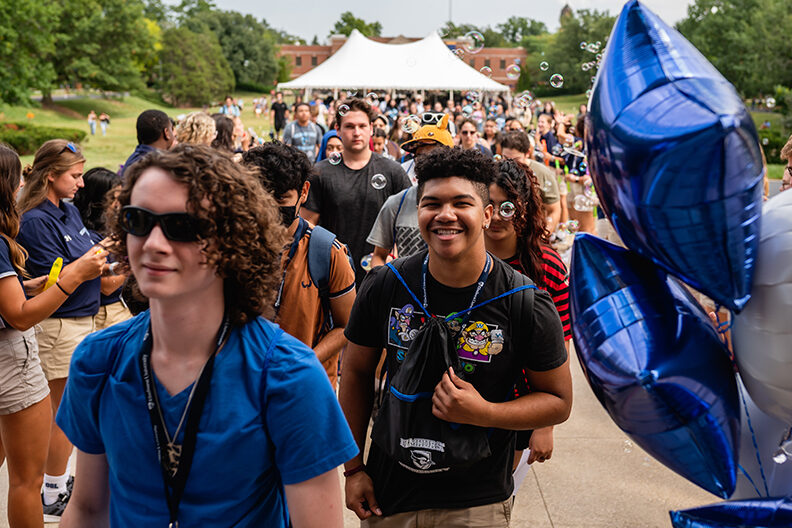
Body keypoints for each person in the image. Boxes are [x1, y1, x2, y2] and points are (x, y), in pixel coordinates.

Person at [56, 145, 358, 527]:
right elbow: (87, 509)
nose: (153, 243)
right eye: (137, 220)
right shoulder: (98, 360)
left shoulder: (288, 375)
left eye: (182, 226)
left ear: (233, 241)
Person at [339, 147, 572, 526]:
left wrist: (486, 413)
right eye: (432, 203)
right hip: (388, 493)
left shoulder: (524, 300)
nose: (446, 214)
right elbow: (355, 373)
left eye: (462, 203)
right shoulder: (385, 284)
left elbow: (558, 401)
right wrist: (352, 468)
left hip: (477, 503)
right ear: (419, 213)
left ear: (487, 214)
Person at [0, 144, 104, 528]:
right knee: (31, 472)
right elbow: (19, 315)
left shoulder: (66, 211)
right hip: (37, 340)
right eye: (14, 181)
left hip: (72, 324)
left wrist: (28, 286)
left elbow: (12, 294)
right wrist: (76, 275)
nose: (19, 189)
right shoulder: (29, 224)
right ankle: (54, 490)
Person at [483, 159, 573, 478]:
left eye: (506, 207)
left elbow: (558, 347)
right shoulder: (460, 256)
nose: (496, 216)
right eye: (488, 205)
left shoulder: (546, 266)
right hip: (463, 396)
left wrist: (544, 424)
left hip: (519, 406)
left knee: (493, 501)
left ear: (523, 208)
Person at [242, 142, 356, 388]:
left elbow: (346, 325)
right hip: (246, 384)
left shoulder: (327, 252)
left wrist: (305, 361)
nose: (270, 208)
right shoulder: (236, 247)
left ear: (304, 192)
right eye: (262, 197)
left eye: (281, 198)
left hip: (306, 386)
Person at [302, 99, 411, 285]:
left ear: (371, 128)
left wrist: (395, 255)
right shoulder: (320, 173)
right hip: (333, 273)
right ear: (338, 129)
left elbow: (409, 223)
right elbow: (306, 226)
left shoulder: (393, 171)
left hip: (383, 273)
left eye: (362, 126)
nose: (356, 132)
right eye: (349, 126)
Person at [366, 114, 455, 268]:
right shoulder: (396, 203)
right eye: (420, 156)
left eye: (434, 155)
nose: (426, 162)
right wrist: (381, 281)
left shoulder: (467, 204)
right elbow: (379, 257)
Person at [72, 167, 132, 330]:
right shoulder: (90, 236)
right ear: (97, 201)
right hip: (105, 313)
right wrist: (135, 262)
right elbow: (106, 286)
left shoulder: (108, 228)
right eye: (114, 198)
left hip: (117, 306)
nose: (119, 204)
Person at [500, 131, 562, 234]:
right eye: (505, 158)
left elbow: (554, 210)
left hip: (531, 234)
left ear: (527, 153)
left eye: (516, 160)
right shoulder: (498, 170)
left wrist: (543, 236)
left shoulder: (543, 173)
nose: (510, 164)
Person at [120, 110, 175, 178]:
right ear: (166, 133)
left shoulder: (134, 159)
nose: (174, 134)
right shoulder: (157, 165)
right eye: (172, 129)